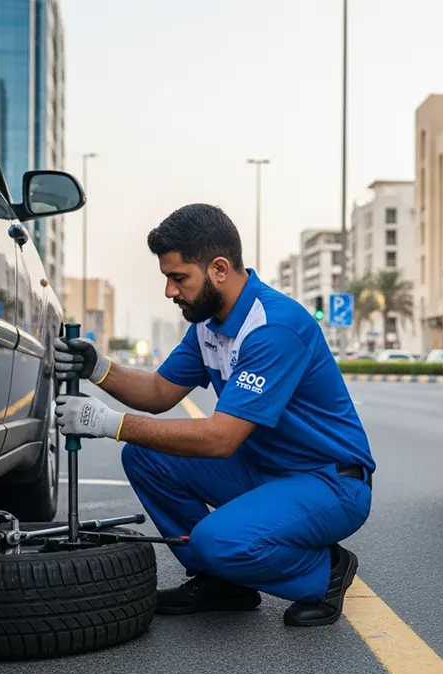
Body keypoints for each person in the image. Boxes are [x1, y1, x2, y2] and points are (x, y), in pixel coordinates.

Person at [52, 203, 374, 627]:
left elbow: (221, 439)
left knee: (215, 540)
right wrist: (98, 369)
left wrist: (110, 424)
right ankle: (224, 583)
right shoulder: (208, 324)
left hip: (328, 482)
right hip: (264, 470)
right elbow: (159, 391)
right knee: (144, 456)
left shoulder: (272, 328)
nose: (170, 291)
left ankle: (324, 573)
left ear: (219, 269)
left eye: (178, 277)